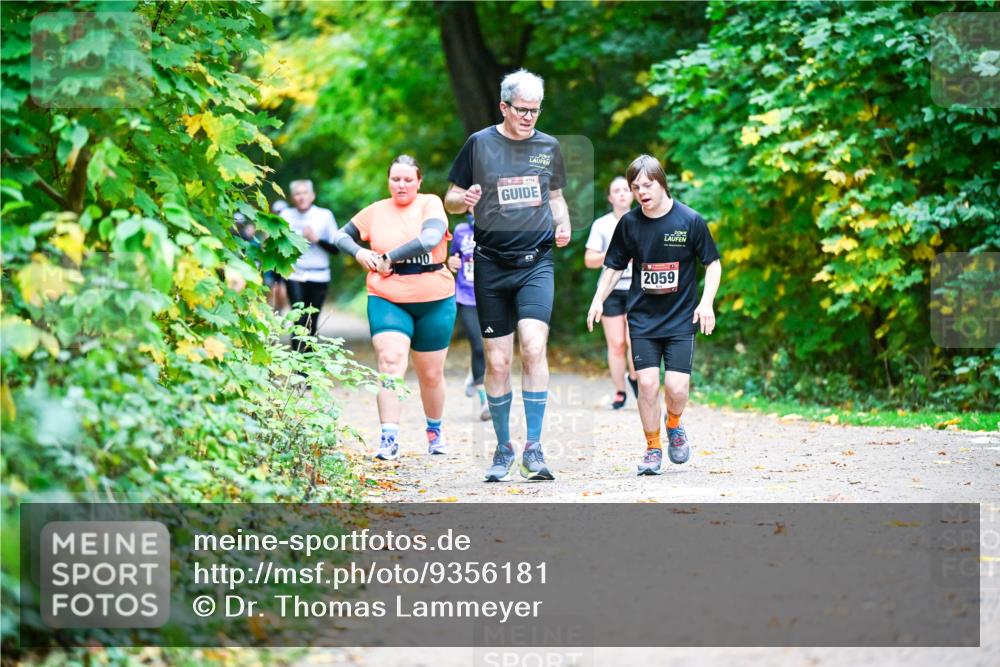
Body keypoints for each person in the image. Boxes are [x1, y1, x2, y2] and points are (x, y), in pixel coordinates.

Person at [444, 68, 571, 482]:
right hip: (491, 264)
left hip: (536, 262)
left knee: (533, 347)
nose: (530, 117)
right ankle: (503, 449)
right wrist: (465, 198)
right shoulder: (479, 144)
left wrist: (563, 222)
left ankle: (533, 447)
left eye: (535, 110)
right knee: (497, 362)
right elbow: (449, 198)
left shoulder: (548, 147)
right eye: (522, 110)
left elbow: (555, 197)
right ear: (504, 106)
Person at [587, 155, 722, 476]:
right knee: (646, 384)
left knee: (676, 388)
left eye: (647, 185)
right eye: (636, 188)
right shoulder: (630, 224)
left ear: (661, 182)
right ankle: (652, 448)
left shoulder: (690, 220)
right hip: (643, 319)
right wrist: (597, 299)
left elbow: (712, 263)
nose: (642, 192)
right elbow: (613, 266)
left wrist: (707, 303)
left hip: (680, 319)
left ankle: (673, 424)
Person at [332, 155, 456, 459]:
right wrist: (360, 253)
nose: (401, 185)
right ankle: (389, 437)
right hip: (387, 297)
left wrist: (389, 257)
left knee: (430, 374)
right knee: (390, 362)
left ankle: (434, 431)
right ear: (388, 181)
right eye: (395, 179)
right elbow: (339, 235)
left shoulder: (431, 203)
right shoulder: (376, 210)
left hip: (434, 298)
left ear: (419, 181)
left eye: (408, 180)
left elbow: (428, 239)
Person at [585, 176, 639, 409]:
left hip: (638, 287)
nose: (622, 194)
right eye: (616, 190)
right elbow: (589, 260)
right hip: (610, 290)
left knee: (634, 340)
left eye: (626, 190)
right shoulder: (602, 225)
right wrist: (613, 254)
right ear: (610, 197)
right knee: (617, 343)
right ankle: (620, 391)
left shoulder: (644, 220)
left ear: (633, 194)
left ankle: (635, 378)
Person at [279, 181, 338, 353]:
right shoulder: (286, 215)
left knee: (312, 320)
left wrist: (316, 239)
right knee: (299, 319)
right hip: (294, 274)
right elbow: (277, 245)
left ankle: (309, 368)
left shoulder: (324, 216)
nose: (301, 196)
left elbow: (336, 249)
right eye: (297, 193)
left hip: (319, 276)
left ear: (312, 196)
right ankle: (298, 371)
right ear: (292, 197)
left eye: (305, 193)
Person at [448, 212, 491, 422]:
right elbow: (452, 257)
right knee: (478, 345)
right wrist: (451, 262)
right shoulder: (460, 231)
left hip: (493, 296)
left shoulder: (499, 226)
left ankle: (475, 375)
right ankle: (485, 401)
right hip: (466, 296)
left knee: (494, 348)